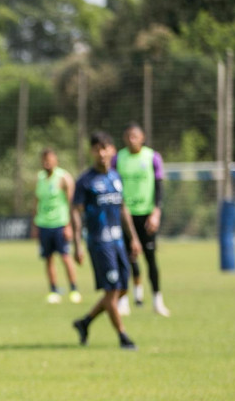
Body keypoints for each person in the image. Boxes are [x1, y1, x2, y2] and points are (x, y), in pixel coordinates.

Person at [71, 131, 142, 351]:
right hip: (100, 244)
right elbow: (75, 212)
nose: (102, 153)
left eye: (105, 148)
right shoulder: (85, 181)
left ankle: (85, 322)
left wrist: (134, 238)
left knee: (122, 289)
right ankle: (123, 336)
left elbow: (123, 209)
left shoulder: (115, 177)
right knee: (112, 291)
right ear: (92, 152)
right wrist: (77, 243)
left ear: (112, 150)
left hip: (119, 242)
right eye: (97, 149)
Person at [113, 123, 170, 317]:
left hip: (146, 216)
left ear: (142, 137)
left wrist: (156, 212)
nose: (131, 140)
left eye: (135, 136)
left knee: (150, 259)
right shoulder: (118, 158)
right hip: (124, 215)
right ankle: (123, 301)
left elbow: (159, 187)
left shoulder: (152, 157)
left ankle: (157, 300)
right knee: (125, 259)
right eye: (128, 136)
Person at [32, 148, 81, 304]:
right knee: (48, 259)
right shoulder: (39, 178)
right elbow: (37, 201)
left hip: (60, 223)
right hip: (44, 224)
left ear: (56, 160)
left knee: (65, 257)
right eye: (44, 159)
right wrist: (35, 223)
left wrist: (69, 226)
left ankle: (74, 289)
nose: (47, 162)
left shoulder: (63, 177)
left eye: (50, 159)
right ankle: (54, 290)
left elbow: (70, 203)